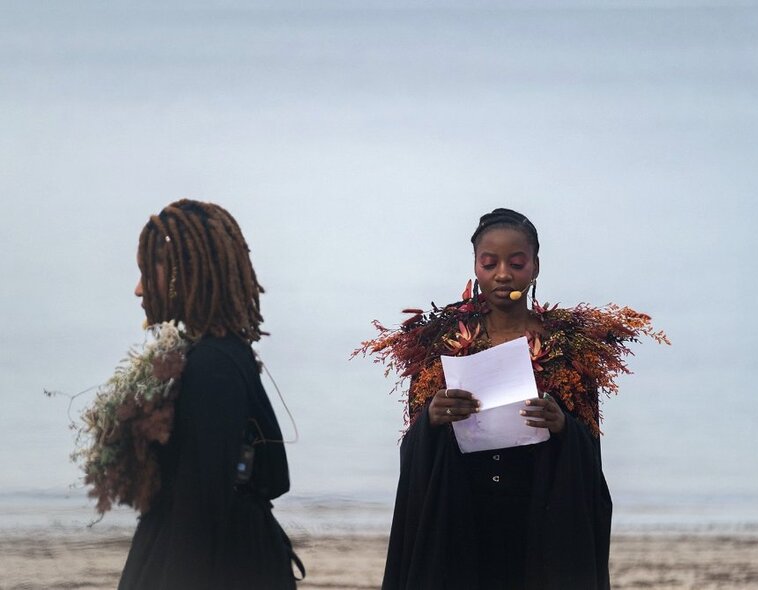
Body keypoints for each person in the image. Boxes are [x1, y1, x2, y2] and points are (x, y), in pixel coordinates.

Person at [360, 208, 664, 589]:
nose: (503, 274)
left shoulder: (566, 347)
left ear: (535, 266)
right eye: (490, 263)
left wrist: (562, 426)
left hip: (539, 519)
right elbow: (414, 448)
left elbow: (589, 455)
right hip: (462, 514)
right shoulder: (439, 342)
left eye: (516, 263)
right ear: (476, 266)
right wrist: (433, 418)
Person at [118, 199, 301, 589]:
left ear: (179, 275)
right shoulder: (216, 353)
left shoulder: (212, 365)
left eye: (145, 272)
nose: (137, 290)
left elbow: (202, 505)